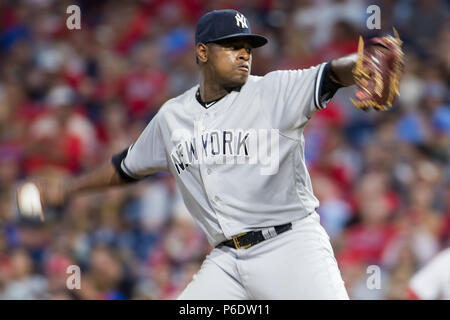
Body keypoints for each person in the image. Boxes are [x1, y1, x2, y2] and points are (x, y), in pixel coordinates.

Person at [21, 9, 395, 299]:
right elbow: (127, 166)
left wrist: (363, 65)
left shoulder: (274, 91)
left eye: (247, 47)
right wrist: (69, 189)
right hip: (226, 260)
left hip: (290, 247)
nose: (244, 54)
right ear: (202, 52)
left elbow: (331, 74)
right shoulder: (173, 116)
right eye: (232, 46)